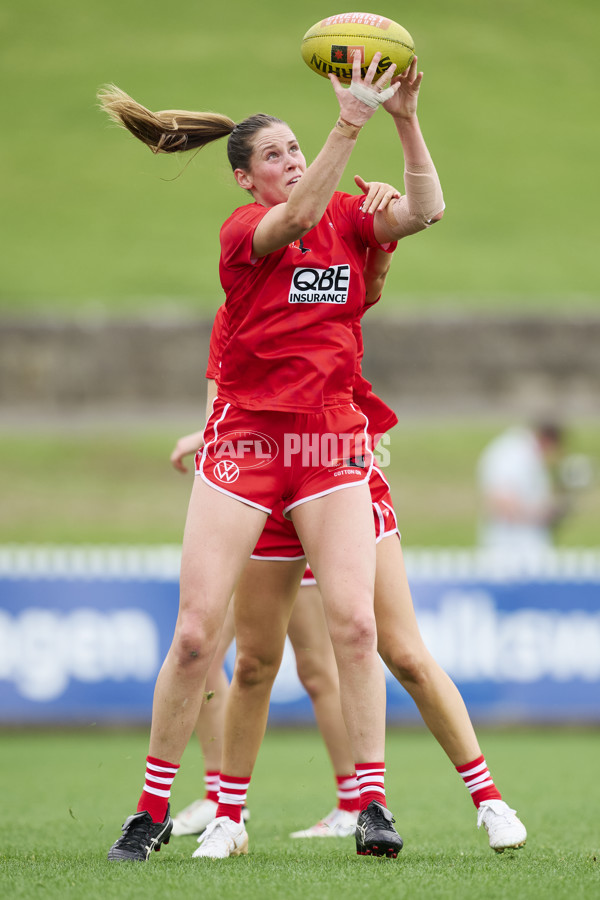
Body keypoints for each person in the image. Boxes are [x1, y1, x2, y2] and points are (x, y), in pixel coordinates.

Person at [100, 50, 444, 862]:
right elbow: (291, 222)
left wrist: (403, 119)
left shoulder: (352, 217)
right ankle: (150, 811)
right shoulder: (245, 232)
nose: (290, 163)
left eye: (296, 150)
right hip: (248, 442)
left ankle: (370, 805)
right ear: (245, 182)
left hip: (328, 441)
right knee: (196, 639)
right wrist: (348, 120)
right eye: (274, 156)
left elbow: (425, 211)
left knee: (356, 628)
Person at [169, 226, 401, 842]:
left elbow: (339, 363)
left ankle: (352, 799)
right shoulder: (236, 310)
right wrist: (209, 440)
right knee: (213, 652)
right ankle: (225, 797)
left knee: (318, 660)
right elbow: (231, 400)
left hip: (318, 484)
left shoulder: (318, 292)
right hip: (259, 494)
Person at [476, 421, 569, 551]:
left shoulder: (527, 455)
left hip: (526, 543)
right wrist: (542, 514)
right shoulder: (512, 454)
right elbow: (502, 502)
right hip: (511, 546)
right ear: (549, 440)